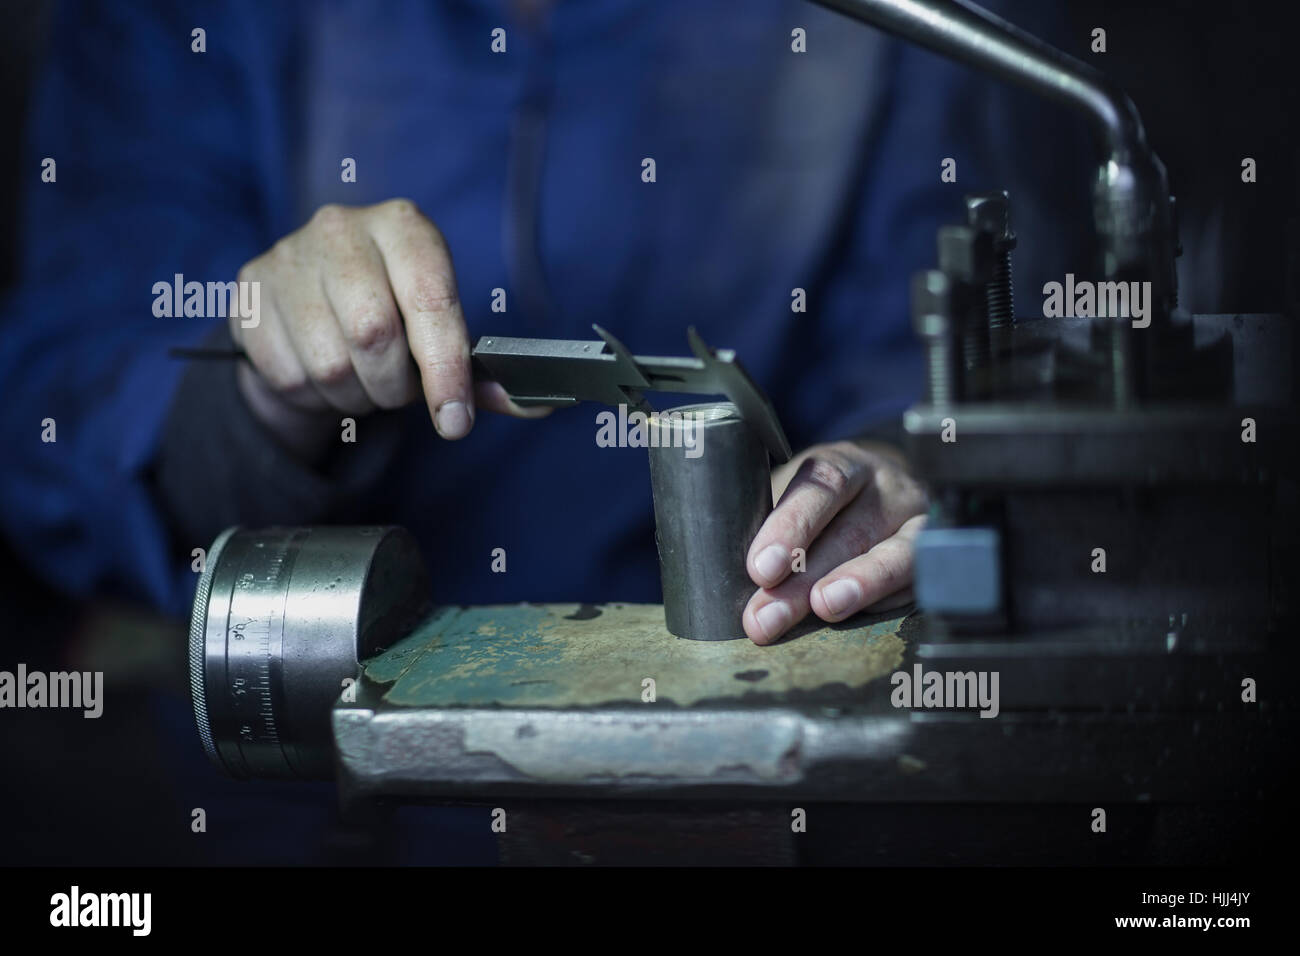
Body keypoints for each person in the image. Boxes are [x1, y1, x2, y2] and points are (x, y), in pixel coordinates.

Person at [0, 0, 1089, 646]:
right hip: (314, 798)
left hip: (733, 772)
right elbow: (57, 410)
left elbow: (945, 369)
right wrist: (260, 391)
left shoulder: (883, 35)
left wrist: (900, 472)